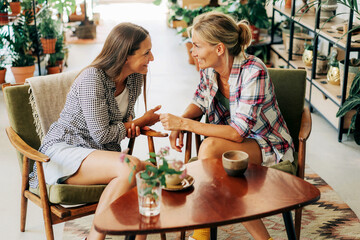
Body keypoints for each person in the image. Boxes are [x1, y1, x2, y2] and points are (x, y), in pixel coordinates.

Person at [159, 11, 294, 240]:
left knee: (210, 150)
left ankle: (201, 233)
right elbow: (199, 101)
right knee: (222, 174)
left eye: (197, 46)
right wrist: (181, 123)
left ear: (219, 49)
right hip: (230, 147)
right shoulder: (210, 70)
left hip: (268, 145)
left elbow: (237, 133)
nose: (193, 52)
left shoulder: (254, 71)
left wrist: (184, 123)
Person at [29, 22, 160, 240]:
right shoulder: (93, 78)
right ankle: (94, 238)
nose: (152, 58)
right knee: (131, 166)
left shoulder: (135, 77)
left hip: (99, 154)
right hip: (64, 152)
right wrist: (138, 122)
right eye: (146, 53)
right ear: (125, 55)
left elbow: (120, 121)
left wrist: (133, 124)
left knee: (151, 174)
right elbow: (102, 134)